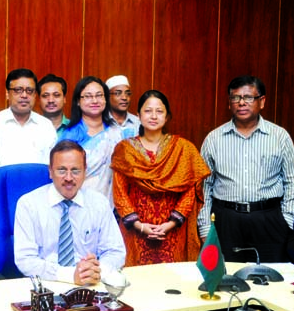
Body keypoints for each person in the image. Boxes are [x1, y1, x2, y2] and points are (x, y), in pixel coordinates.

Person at [199, 75, 294, 262]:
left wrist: (286, 220)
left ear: (261, 102)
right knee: (227, 280)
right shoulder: (213, 139)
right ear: (229, 103)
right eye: (235, 98)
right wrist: (205, 228)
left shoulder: (279, 136)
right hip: (226, 221)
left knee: (271, 282)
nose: (241, 103)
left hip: (269, 220)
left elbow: (293, 180)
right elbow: (204, 188)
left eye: (248, 98)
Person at [111, 90, 211, 266]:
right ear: (138, 115)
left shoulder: (183, 149)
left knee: (173, 283)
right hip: (135, 233)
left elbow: (191, 191)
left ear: (167, 116)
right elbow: (119, 193)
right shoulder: (124, 150)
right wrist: (139, 226)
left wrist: (171, 224)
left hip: (173, 233)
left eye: (159, 111)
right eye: (148, 111)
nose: (154, 116)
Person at [14, 140, 125, 285]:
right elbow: (25, 260)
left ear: (85, 171)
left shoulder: (99, 203)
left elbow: (116, 252)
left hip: (91, 285)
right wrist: (70, 275)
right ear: (50, 172)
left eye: (75, 171)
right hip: (45, 285)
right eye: (61, 170)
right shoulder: (29, 204)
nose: (68, 178)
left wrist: (96, 271)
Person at [0, 68, 57, 183]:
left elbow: (52, 168)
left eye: (29, 90)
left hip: (39, 192)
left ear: (35, 95)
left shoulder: (45, 126)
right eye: (18, 90)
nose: (24, 95)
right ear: (7, 94)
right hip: (4, 192)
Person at [59, 76, 122, 202]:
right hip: (78, 201)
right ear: (78, 101)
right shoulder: (70, 135)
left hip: (111, 204)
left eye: (99, 95)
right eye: (88, 96)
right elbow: (62, 173)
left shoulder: (116, 131)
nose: (94, 100)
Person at [105, 75, 140, 139]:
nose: (124, 98)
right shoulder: (100, 122)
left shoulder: (138, 123)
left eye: (127, 93)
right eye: (118, 93)